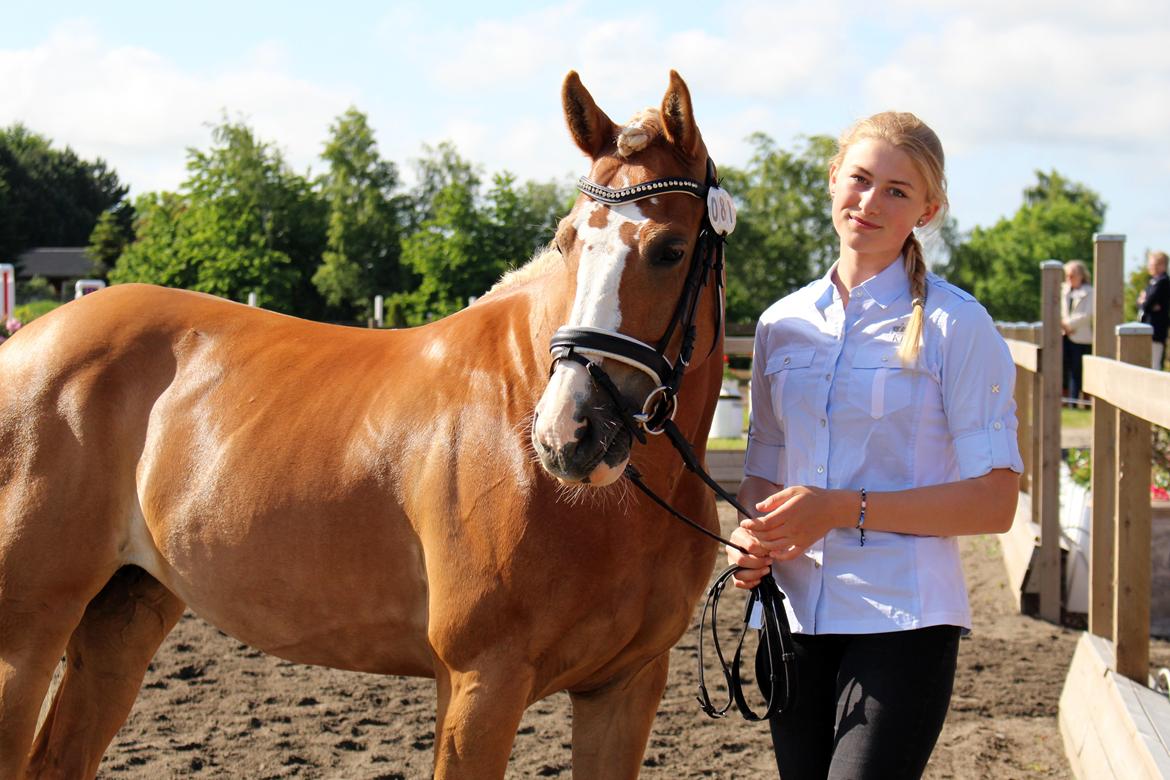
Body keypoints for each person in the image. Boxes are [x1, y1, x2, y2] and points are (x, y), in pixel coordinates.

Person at [727, 112, 1023, 780]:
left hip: (905, 618)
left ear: (928, 210)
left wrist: (839, 508)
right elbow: (762, 477)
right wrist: (753, 535)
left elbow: (995, 502)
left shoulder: (958, 325)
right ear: (833, 180)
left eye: (897, 190)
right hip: (791, 614)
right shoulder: (782, 324)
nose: (869, 201)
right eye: (859, 179)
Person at [1060, 260, 1094, 403]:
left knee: (1078, 370)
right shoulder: (1064, 291)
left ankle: (1078, 401)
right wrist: (1064, 326)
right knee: (1064, 369)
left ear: (1081, 275)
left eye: (1072, 275)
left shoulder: (1090, 292)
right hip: (1065, 335)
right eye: (1067, 275)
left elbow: (1087, 315)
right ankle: (1067, 400)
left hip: (1080, 336)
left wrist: (1068, 325)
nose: (1069, 278)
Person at [1138, 250, 1169, 370]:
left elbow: (1146, 303)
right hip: (1148, 328)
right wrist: (1143, 302)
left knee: (1154, 363)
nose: (1150, 267)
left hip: (1156, 329)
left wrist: (1144, 302)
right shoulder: (1153, 282)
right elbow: (1142, 302)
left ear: (1162, 265)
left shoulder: (1163, 282)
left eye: (1153, 265)